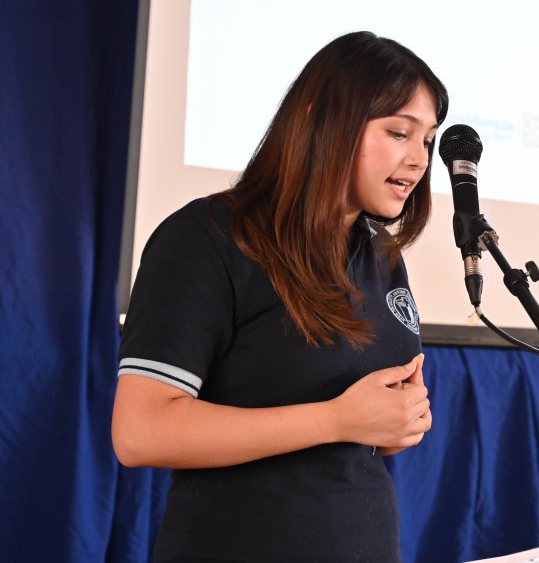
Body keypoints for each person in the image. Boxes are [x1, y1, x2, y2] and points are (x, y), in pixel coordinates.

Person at [112, 31, 449, 562]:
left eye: (428, 140)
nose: (419, 160)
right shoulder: (207, 237)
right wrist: (336, 419)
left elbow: (365, 430)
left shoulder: (380, 254)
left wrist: (396, 421)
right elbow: (140, 432)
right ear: (321, 120)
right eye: (399, 133)